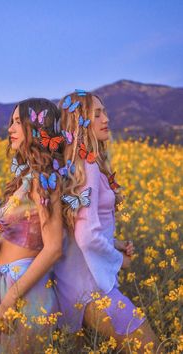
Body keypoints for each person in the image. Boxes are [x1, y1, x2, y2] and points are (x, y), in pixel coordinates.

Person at [53, 90, 160, 352]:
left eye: (106, 112)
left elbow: (80, 225)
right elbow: (87, 236)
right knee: (154, 349)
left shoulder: (69, 166)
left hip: (72, 290)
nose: (106, 119)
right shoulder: (87, 167)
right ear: (79, 122)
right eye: (97, 114)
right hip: (93, 292)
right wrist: (118, 259)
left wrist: (115, 241)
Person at [0, 98, 64, 353]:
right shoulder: (25, 176)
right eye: (11, 122)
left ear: (36, 128)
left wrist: (11, 298)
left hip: (27, 292)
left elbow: (54, 248)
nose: (10, 129)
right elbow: (25, 237)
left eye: (18, 122)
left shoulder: (45, 179)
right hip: (9, 286)